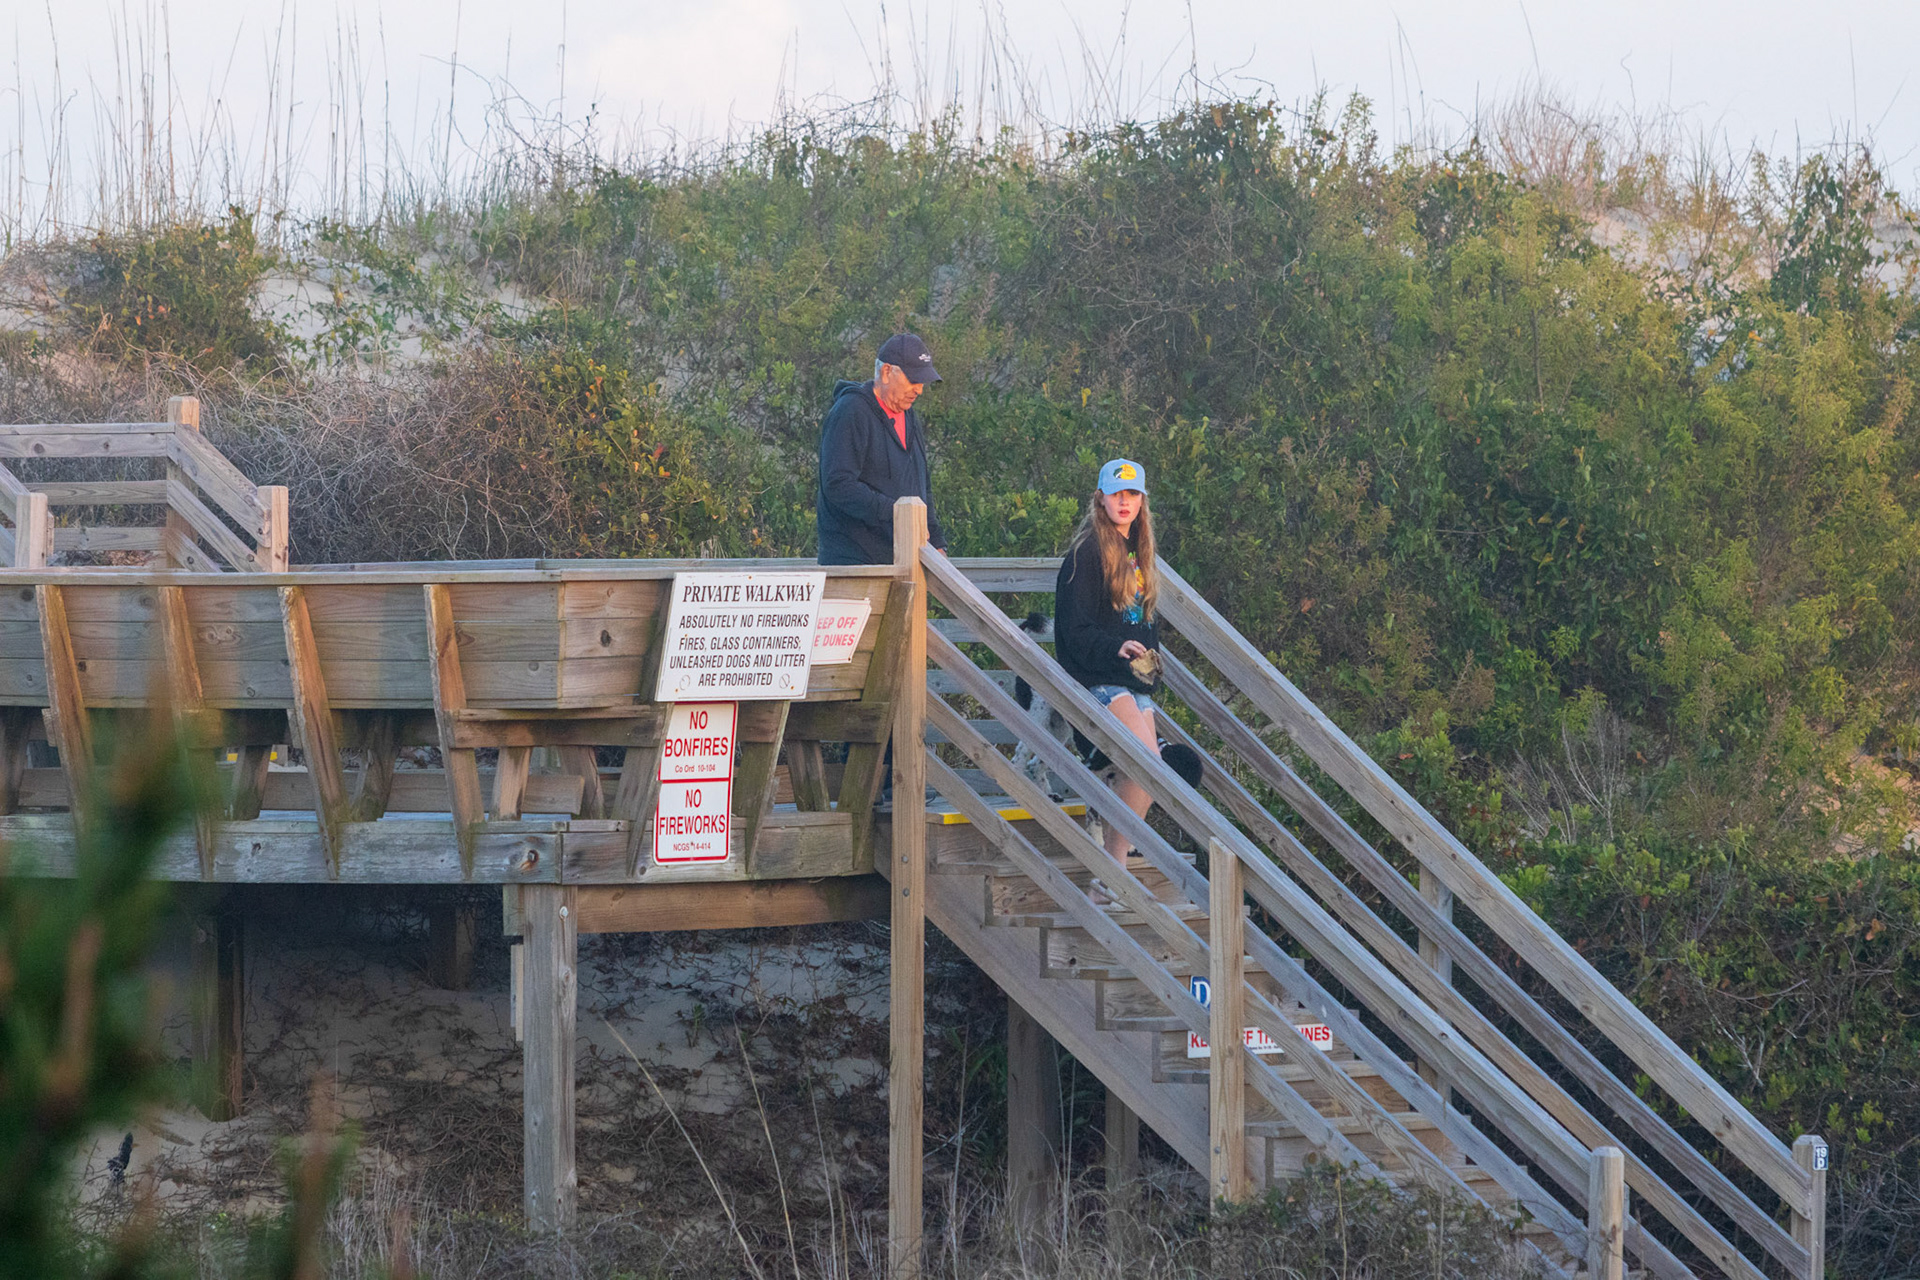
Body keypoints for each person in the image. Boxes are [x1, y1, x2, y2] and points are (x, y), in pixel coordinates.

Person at [1054, 458, 1164, 862]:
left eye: (1133, 494)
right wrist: (1112, 648)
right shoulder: (1086, 553)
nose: (1124, 501)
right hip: (1097, 678)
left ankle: (1110, 872)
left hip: (1131, 681)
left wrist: (1150, 666)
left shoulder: (1139, 552)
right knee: (1147, 765)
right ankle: (1113, 870)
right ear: (1100, 498)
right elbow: (1073, 629)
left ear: (1142, 501)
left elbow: (1143, 624)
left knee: (1150, 775)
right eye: (1117, 494)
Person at [816, 332, 947, 565]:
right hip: (857, 565)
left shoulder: (909, 416)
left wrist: (936, 542)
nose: (919, 390)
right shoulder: (851, 411)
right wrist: (897, 512)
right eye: (913, 380)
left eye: (922, 382)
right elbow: (838, 485)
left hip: (906, 562)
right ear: (886, 372)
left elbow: (921, 487)